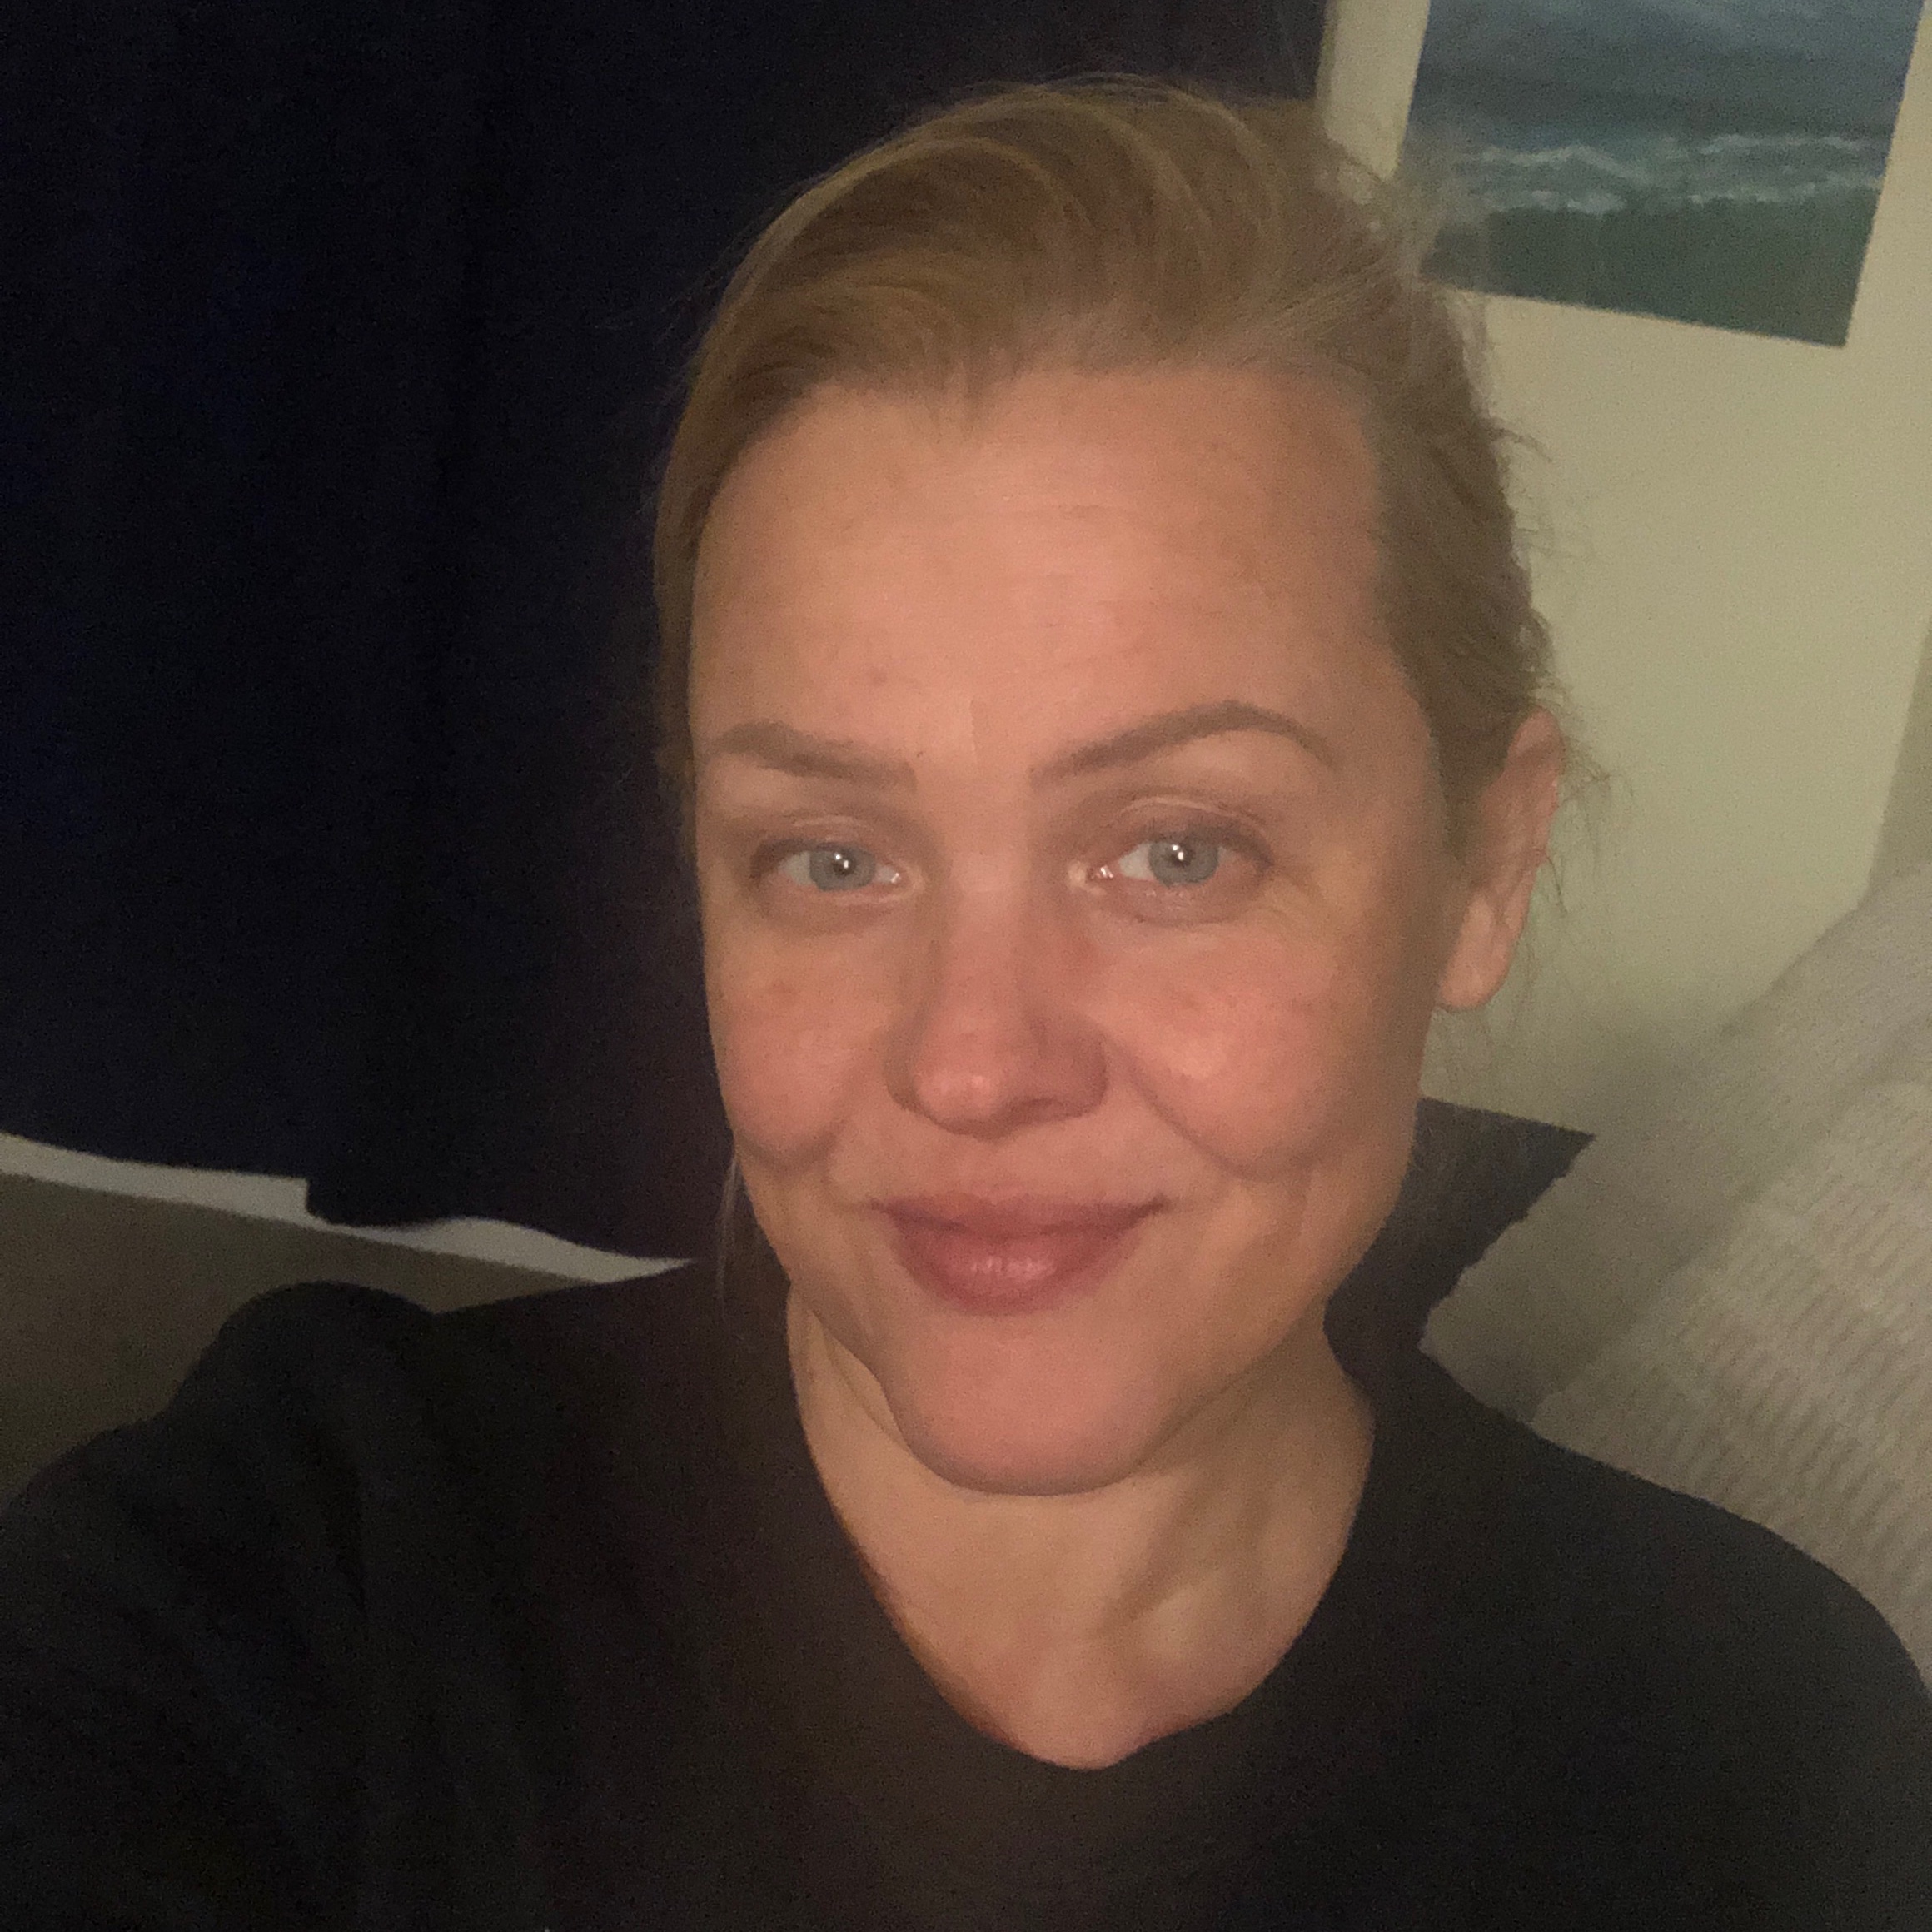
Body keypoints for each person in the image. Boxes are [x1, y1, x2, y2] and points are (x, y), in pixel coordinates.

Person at [2, 78, 1928, 1932]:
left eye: (1173, 848)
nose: (969, 1061)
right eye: (832, 856)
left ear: (1479, 870)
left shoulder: (1751, 1762)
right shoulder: (288, 1586)